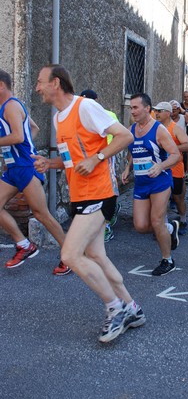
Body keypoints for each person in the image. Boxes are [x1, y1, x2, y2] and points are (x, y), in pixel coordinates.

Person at [33, 64, 145, 343]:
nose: (37, 88)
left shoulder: (85, 108)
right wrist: (51, 163)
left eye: (40, 82)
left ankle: (114, 308)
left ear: (56, 83)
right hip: (80, 196)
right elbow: (73, 160)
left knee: (70, 255)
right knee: (96, 256)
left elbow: (125, 136)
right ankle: (131, 308)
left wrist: (96, 159)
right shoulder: (60, 118)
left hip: (100, 194)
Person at [0, 69, 70, 275]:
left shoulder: (11, 106)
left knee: (42, 214)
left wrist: (23, 149)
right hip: (14, 167)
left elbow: (18, 136)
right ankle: (24, 245)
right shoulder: (9, 106)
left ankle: (70, 256)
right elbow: (34, 128)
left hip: (25, 167)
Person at [121, 93, 181, 276]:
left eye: (136, 107)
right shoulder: (131, 129)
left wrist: (160, 166)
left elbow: (176, 154)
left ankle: (167, 260)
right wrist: (127, 168)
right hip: (141, 183)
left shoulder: (159, 130)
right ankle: (170, 228)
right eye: (131, 108)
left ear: (147, 108)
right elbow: (134, 152)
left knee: (156, 220)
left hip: (160, 181)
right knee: (140, 225)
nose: (133, 111)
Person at [80, 89, 121, 243]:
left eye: (90, 100)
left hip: (108, 155)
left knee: (110, 185)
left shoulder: (108, 114)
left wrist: (105, 154)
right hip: (93, 157)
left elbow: (119, 135)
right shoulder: (82, 115)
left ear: (96, 100)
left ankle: (109, 219)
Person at [154, 102, 188, 235]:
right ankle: (162, 226)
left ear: (168, 113)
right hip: (159, 169)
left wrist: (172, 148)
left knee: (177, 197)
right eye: (155, 111)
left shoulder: (175, 128)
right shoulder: (154, 127)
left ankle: (183, 220)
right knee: (160, 198)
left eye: (160, 111)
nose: (156, 113)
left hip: (175, 168)